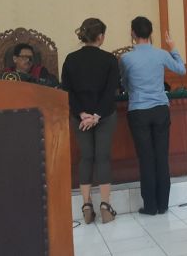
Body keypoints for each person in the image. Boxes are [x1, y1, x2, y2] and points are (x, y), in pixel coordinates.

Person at [120, 16, 186, 215]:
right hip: (160, 110)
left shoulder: (126, 59)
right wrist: (173, 47)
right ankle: (163, 204)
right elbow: (181, 70)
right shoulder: (161, 54)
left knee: (146, 158)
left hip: (138, 110)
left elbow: (124, 83)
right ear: (151, 34)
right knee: (161, 156)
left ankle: (150, 206)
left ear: (132, 33)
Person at [61, 18, 120, 224]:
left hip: (80, 118)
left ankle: (86, 205)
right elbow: (110, 91)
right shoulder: (110, 60)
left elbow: (66, 91)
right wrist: (97, 115)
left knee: (86, 157)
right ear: (101, 37)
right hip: (104, 115)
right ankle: (105, 205)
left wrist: (82, 114)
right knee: (102, 157)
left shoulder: (71, 59)